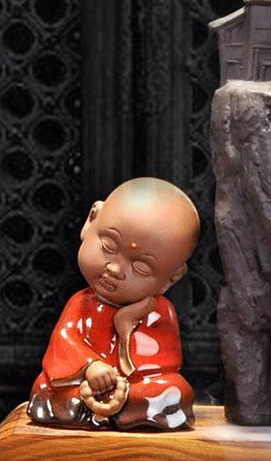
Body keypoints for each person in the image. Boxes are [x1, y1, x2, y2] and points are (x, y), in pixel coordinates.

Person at [27, 177, 200, 430]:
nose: (115, 269)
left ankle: (118, 409)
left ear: (171, 279)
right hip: (84, 380)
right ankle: (103, 409)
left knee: (173, 390)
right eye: (108, 245)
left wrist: (126, 330)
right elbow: (64, 341)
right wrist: (91, 367)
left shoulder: (158, 311)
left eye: (141, 267)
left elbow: (164, 361)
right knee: (46, 387)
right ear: (91, 220)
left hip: (133, 385)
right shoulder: (81, 304)